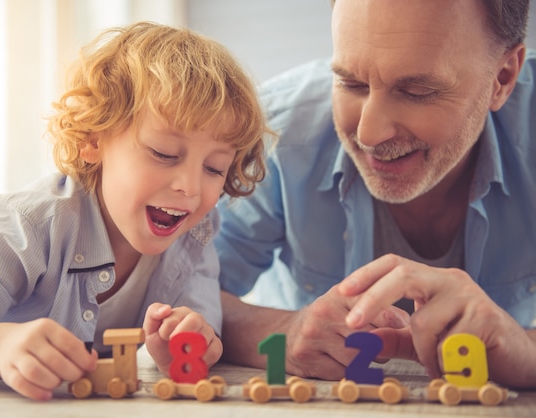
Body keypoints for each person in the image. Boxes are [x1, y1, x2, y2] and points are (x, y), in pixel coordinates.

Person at [0, 22, 270, 400]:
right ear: (92, 141)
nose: (191, 188)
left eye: (214, 168)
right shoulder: (29, 224)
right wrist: (0, 346)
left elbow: (202, 331)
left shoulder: (196, 231)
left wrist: (187, 341)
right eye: (164, 153)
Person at [215, 0, 536, 389]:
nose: (368, 134)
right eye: (351, 83)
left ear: (502, 78)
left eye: (416, 90)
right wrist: (284, 328)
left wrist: (526, 352)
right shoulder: (274, 133)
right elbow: (182, 289)